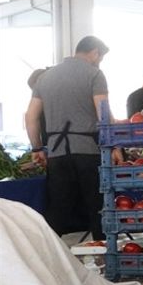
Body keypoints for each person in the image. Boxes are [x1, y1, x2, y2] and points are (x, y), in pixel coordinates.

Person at [24, 36, 113, 240]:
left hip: (57, 153)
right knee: (97, 208)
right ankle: (105, 261)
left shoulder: (45, 77)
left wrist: (37, 149)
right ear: (95, 53)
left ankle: (50, 259)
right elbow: (104, 115)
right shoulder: (95, 74)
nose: (99, 62)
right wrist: (115, 145)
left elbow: (30, 117)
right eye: (100, 58)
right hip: (88, 152)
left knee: (58, 211)